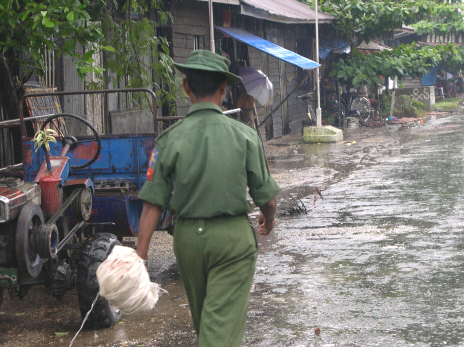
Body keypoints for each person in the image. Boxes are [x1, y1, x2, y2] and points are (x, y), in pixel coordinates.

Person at [136, 49, 280, 347]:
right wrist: (268, 217)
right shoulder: (244, 135)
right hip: (231, 243)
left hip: (188, 242)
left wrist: (140, 256)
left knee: (207, 324)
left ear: (186, 87)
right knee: (219, 332)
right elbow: (268, 197)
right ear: (224, 88)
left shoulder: (168, 139)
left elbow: (152, 203)